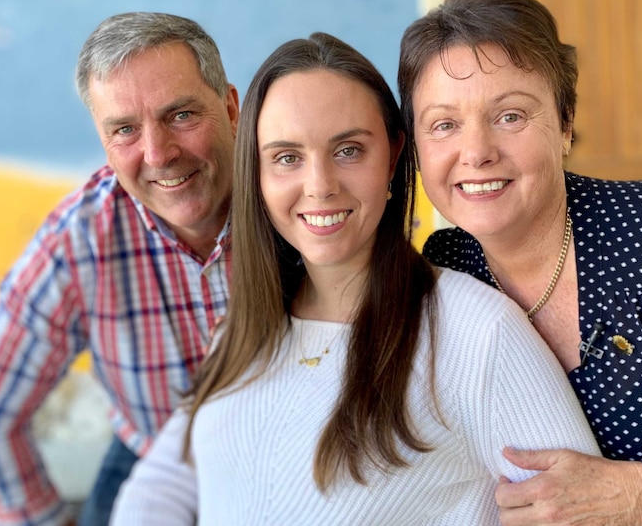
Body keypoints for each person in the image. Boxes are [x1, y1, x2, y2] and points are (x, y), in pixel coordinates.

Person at [109, 31, 600, 525]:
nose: (319, 186)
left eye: (348, 151)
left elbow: (583, 513)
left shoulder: (477, 332)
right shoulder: (247, 325)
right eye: (287, 158)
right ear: (255, 173)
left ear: (392, 155)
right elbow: (165, 483)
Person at [398, 0, 642, 525]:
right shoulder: (448, 271)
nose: (477, 152)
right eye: (444, 125)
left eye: (510, 115)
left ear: (566, 122)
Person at [0, 12, 238, 526]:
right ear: (103, 140)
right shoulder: (80, 237)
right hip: (148, 452)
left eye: (181, 116)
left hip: (294, 458)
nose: (158, 154)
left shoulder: (296, 199)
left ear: (232, 107)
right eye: (125, 129)